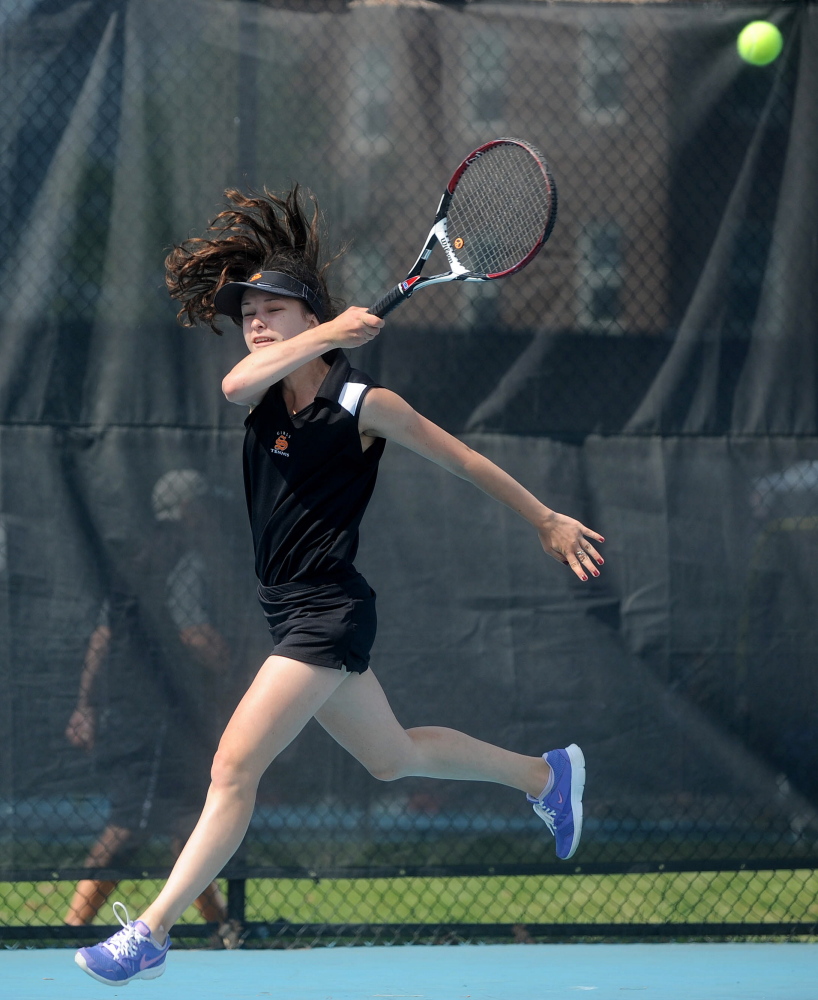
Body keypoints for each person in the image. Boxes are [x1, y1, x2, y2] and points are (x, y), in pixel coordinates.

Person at [75, 186, 604, 986]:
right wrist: (322, 329)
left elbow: (462, 460)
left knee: (231, 769)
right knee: (391, 759)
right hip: (288, 608)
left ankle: (149, 933)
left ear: (307, 314)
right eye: (246, 309)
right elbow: (232, 384)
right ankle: (545, 776)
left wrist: (545, 519)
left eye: (271, 307)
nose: (254, 319)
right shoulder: (257, 390)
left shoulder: (365, 402)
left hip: (329, 610)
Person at [66, 470, 241, 949]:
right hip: (161, 719)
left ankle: (221, 927)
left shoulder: (135, 558)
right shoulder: (185, 561)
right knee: (130, 823)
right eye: (203, 506)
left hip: (144, 712)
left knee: (187, 822)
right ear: (189, 510)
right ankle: (70, 928)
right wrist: (234, 668)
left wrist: (87, 704)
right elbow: (192, 632)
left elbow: (102, 635)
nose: (208, 516)